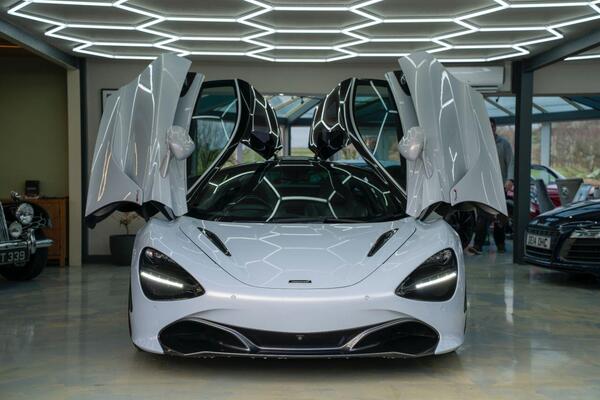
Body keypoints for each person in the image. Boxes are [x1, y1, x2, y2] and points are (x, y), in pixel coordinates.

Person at [468, 119, 514, 255]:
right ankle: (477, 245)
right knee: (483, 216)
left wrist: (510, 180)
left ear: (495, 128)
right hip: (484, 186)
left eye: (492, 126)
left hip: (500, 187)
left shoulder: (504, 144)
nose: (490, 129)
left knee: (500, 217)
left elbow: (511, 163)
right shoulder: (479, 144)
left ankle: (500, 244)